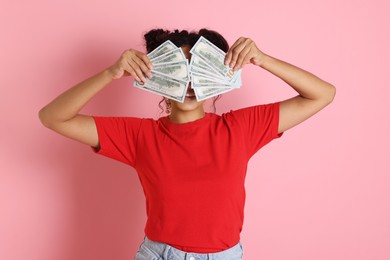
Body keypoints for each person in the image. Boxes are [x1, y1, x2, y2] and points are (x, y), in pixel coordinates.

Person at [39, 28, 336, 260]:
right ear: (158, 79)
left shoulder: (240, 129)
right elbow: (53, 117)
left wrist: (263, 59)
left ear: (217, 78)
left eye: (198, 72)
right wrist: (110, 73)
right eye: (179, 72)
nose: (190, 84)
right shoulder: (140, 135)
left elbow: (322, 93)